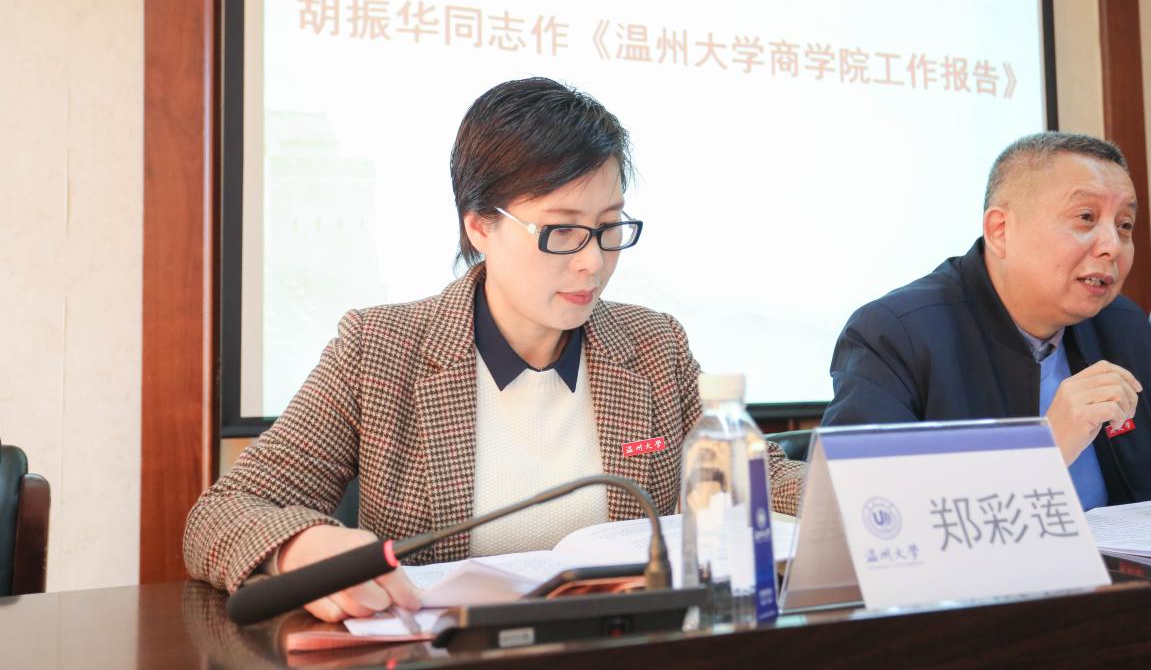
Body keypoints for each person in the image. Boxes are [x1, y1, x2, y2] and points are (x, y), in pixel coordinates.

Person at [184, 77, 805, 622]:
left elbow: (769, 484)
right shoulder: (380, 351)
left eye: (609, 227)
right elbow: (222, 512)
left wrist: (851, 492)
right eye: (562, 230)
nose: (593, 262)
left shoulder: (653, 347)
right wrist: (304, 547)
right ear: (479, 224)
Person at [823, 132, 1151, 510]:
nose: (1111, 246)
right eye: (1086, 218)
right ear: (1000, 231)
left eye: (1125, 225)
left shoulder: (1123, 326)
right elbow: (864, 506)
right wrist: (1045, 450)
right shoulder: (895, 333)